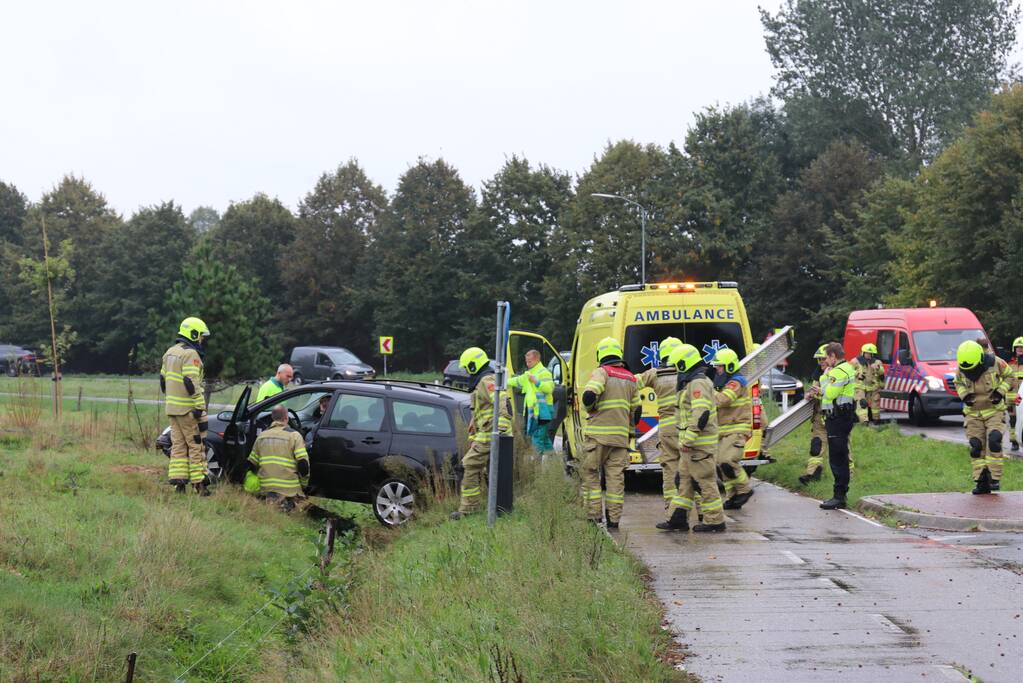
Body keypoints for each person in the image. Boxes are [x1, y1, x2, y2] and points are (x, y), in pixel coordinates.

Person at [657, 343, 724, 532]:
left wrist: (688, 439)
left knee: (704, 481)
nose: (676, 369)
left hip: (698, 445)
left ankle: (715, 521)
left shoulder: (698, 383)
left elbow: (700, 414)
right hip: (692, 445)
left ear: (684, 363)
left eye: (677, 365)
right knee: (684, 481)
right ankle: (678, 518)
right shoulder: (693, 382)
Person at [580, 337, 640, 529]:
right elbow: (636, 410)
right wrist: (630, 431)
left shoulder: (602, 372)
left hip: (598, 436)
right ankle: (614, 520)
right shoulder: (630, 378)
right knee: (616, 480)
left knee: (590, 473)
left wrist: (589, 407)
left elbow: (590, 394)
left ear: (601, 355)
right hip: (620, 438)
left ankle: (593, 516)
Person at [450, 347, 512, 520]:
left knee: (468, 466)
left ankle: (469, 508)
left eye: (466, 367)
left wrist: (501, 427)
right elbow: (479, 414)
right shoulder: (481, 382)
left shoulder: (487, 380)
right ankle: (485, 505)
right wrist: (473, 437)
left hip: (491, 434)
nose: (465, 372)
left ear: (473, 365)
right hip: (484, 435)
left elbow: (502, 401)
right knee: (483, 470)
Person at [161, 317, 212, 495]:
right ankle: (200, 485)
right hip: (188, 410)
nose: (201, 340)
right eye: (200, 336)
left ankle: (179, 484)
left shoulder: (170, 352)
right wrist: (199, 406)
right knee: (196, 444)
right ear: (194, 333)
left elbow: (162, 381)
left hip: (172, 409)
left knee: (178, 445)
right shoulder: (190, 354)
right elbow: (191, 382)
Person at [954, 340, 1013, 494]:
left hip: (994, 410)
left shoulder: (996, 363)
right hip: (973, 413)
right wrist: (965, 396)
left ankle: (994, 478)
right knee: (976, 447)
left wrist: (999, 392)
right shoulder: (962, 367)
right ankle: (981, 481)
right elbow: (958, 382)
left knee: (994, 440)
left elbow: (1009, 376)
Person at [637, 337, 683, 507]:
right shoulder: (688, 373)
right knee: (693, 468)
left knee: (670, 468)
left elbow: (633, 383)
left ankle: (673, 512)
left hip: (667, 428)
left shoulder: (655, 374)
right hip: (688, 427)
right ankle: (702, 511)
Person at [710, 348, 754, 510]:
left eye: (719, 366)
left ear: (728, 366)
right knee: (719, 464)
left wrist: (706, 392)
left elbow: (724, 400)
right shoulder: (724, 383)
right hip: (724, 431)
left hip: (736, 430)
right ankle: (732, 495)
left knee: (727, 461)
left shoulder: (736, 382)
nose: (716, 369)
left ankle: (744, 489)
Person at [247, 404, 309, 511]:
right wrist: (304, 485)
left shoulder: (261, 436)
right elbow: (303, 464)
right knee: (305, 508)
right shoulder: (295, 436)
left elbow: (252, 464)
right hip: (289, 490)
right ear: (286, 418)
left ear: (272, 418)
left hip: (265, 488)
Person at [819, 342, 857, 510]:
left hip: (838, 418)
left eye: (827, 357)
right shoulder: (846, 368)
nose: (826, 361)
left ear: (833, 356)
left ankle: (839, 497)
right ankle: (840, 495)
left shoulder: (838, 371)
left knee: (837, 459)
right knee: (840, 456)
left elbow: (829, 392)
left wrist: (826, 379)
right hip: (842, 416)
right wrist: (825, 378)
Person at [508, 349, 555, 454]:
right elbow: (516, 381)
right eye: (526, 361)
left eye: (529, 361)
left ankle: (536, 466)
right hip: (535, 412)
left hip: (543, 412)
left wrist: (537, 382)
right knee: (545, 439)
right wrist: (500, 382)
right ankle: (554, 462)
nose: (527, 364)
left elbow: (549, 388)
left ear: (537, 360)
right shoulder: (528, 374)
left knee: (537, 439)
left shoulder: (544, 372)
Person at [799, 344, 830, 485]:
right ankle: (812, 474)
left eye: (823, 359)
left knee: (842, 450)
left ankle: (848, 477)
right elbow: (815, 391)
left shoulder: (838, 374)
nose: (821, 362)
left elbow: (834, 396)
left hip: (835, 417)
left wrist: (819, 393)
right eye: (819, 360)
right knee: (816, 446)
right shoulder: (818, 374)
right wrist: (810, 394)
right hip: (819, 417)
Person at [851, 343, 884, 426]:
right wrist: (857, 374)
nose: (868, 355)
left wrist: (877, 368)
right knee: (862, 404)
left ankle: (876, 419)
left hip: (873, 387)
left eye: (870, 354)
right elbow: (849, 371)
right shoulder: (855, 361)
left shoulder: (877, 362)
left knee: (875, 404)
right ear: (863, 353)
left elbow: (882, 372)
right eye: (867, 353)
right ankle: (864, 421)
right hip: (860, 387)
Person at [1006, 337, 1023, 451]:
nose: (1020, 349)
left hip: (1022, 396)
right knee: (1012, 420)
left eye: (1022, 348)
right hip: (1011, 396)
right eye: (1018, 347)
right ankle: (1014, 442)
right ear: (1014, 348)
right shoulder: (1008, 363)